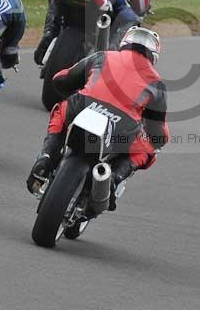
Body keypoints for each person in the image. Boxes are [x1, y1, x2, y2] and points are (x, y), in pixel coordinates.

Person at [27, 27, 169, 209]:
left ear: (125, 42)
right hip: (122, 125)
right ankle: (115, 178)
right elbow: (158, 131)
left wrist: (69, 89)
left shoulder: (104, 56)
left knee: (61, 110)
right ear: (154, 54)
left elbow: (63, 78)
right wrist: (159, 140)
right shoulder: (157, 83)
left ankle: (46, 157)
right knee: (146, 149)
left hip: (84, 105)